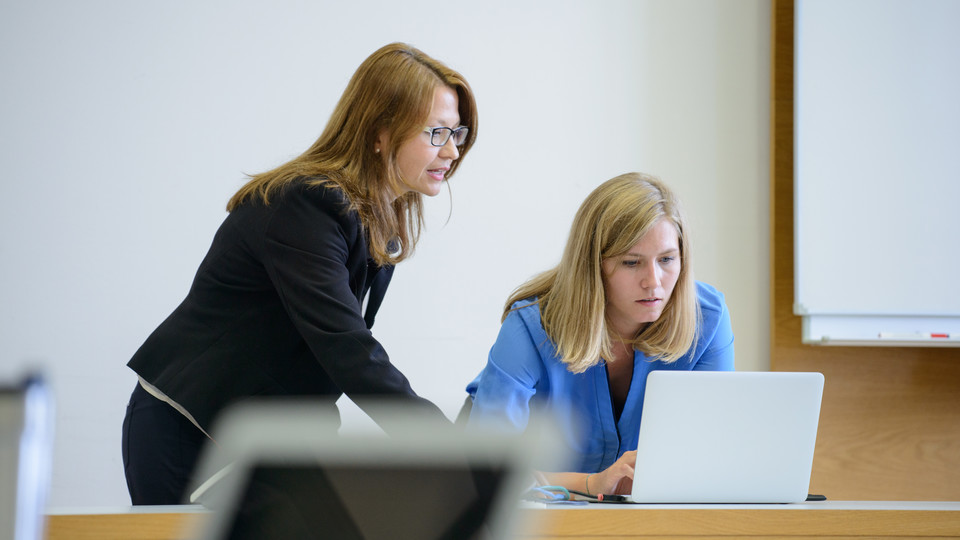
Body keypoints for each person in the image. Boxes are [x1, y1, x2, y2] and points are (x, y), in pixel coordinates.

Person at [122, 42, 478, 505]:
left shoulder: (376, 222)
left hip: (260, 438)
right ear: (380, 132)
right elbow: (345, 346)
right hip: (191, 429)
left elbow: (321, 359)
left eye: (458, 133)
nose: (452, 151)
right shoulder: (306, 205)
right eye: (437, 133)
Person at [465, 172, 734, 497]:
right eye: (631, 263)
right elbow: (490, 464)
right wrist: (591, 484)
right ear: (593, 265)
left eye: (666, 260)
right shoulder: (530, 325)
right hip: (519, 507)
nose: (654, 281)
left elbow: (710, 452)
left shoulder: (708, 318)